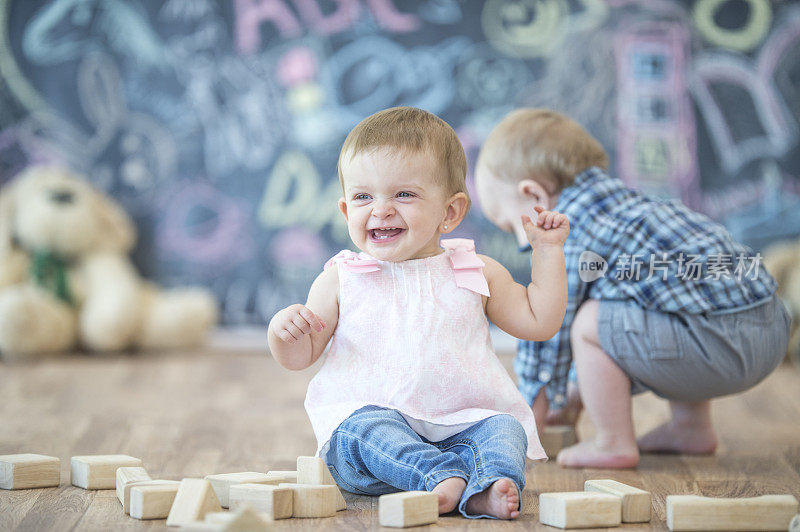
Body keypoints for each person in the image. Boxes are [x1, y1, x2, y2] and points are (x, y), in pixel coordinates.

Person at [268, 106, 569, 518]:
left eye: (403, 194)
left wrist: (548, 252)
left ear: (450, 212)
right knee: (359, 429)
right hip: (378, 445)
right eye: (362, 196)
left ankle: (486, 486)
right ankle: (438, 476)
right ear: (345, 211)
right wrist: (283, 333)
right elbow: (300, 356)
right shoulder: (342, 277)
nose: (381, 209)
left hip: (463, 427)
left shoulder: (474, 269)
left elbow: (539, 321)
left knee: (505, 427)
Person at [475, 108, 790, 469]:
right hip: (772, 328)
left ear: (534, 197)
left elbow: (549, 332)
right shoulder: (629, 205)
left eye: (509, 226)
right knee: (668, 299)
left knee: (590, 325)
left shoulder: (569, 228)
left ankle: (612, 442)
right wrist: (571, 392)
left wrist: (534, 406)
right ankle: (690, 428)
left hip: (719, 344)